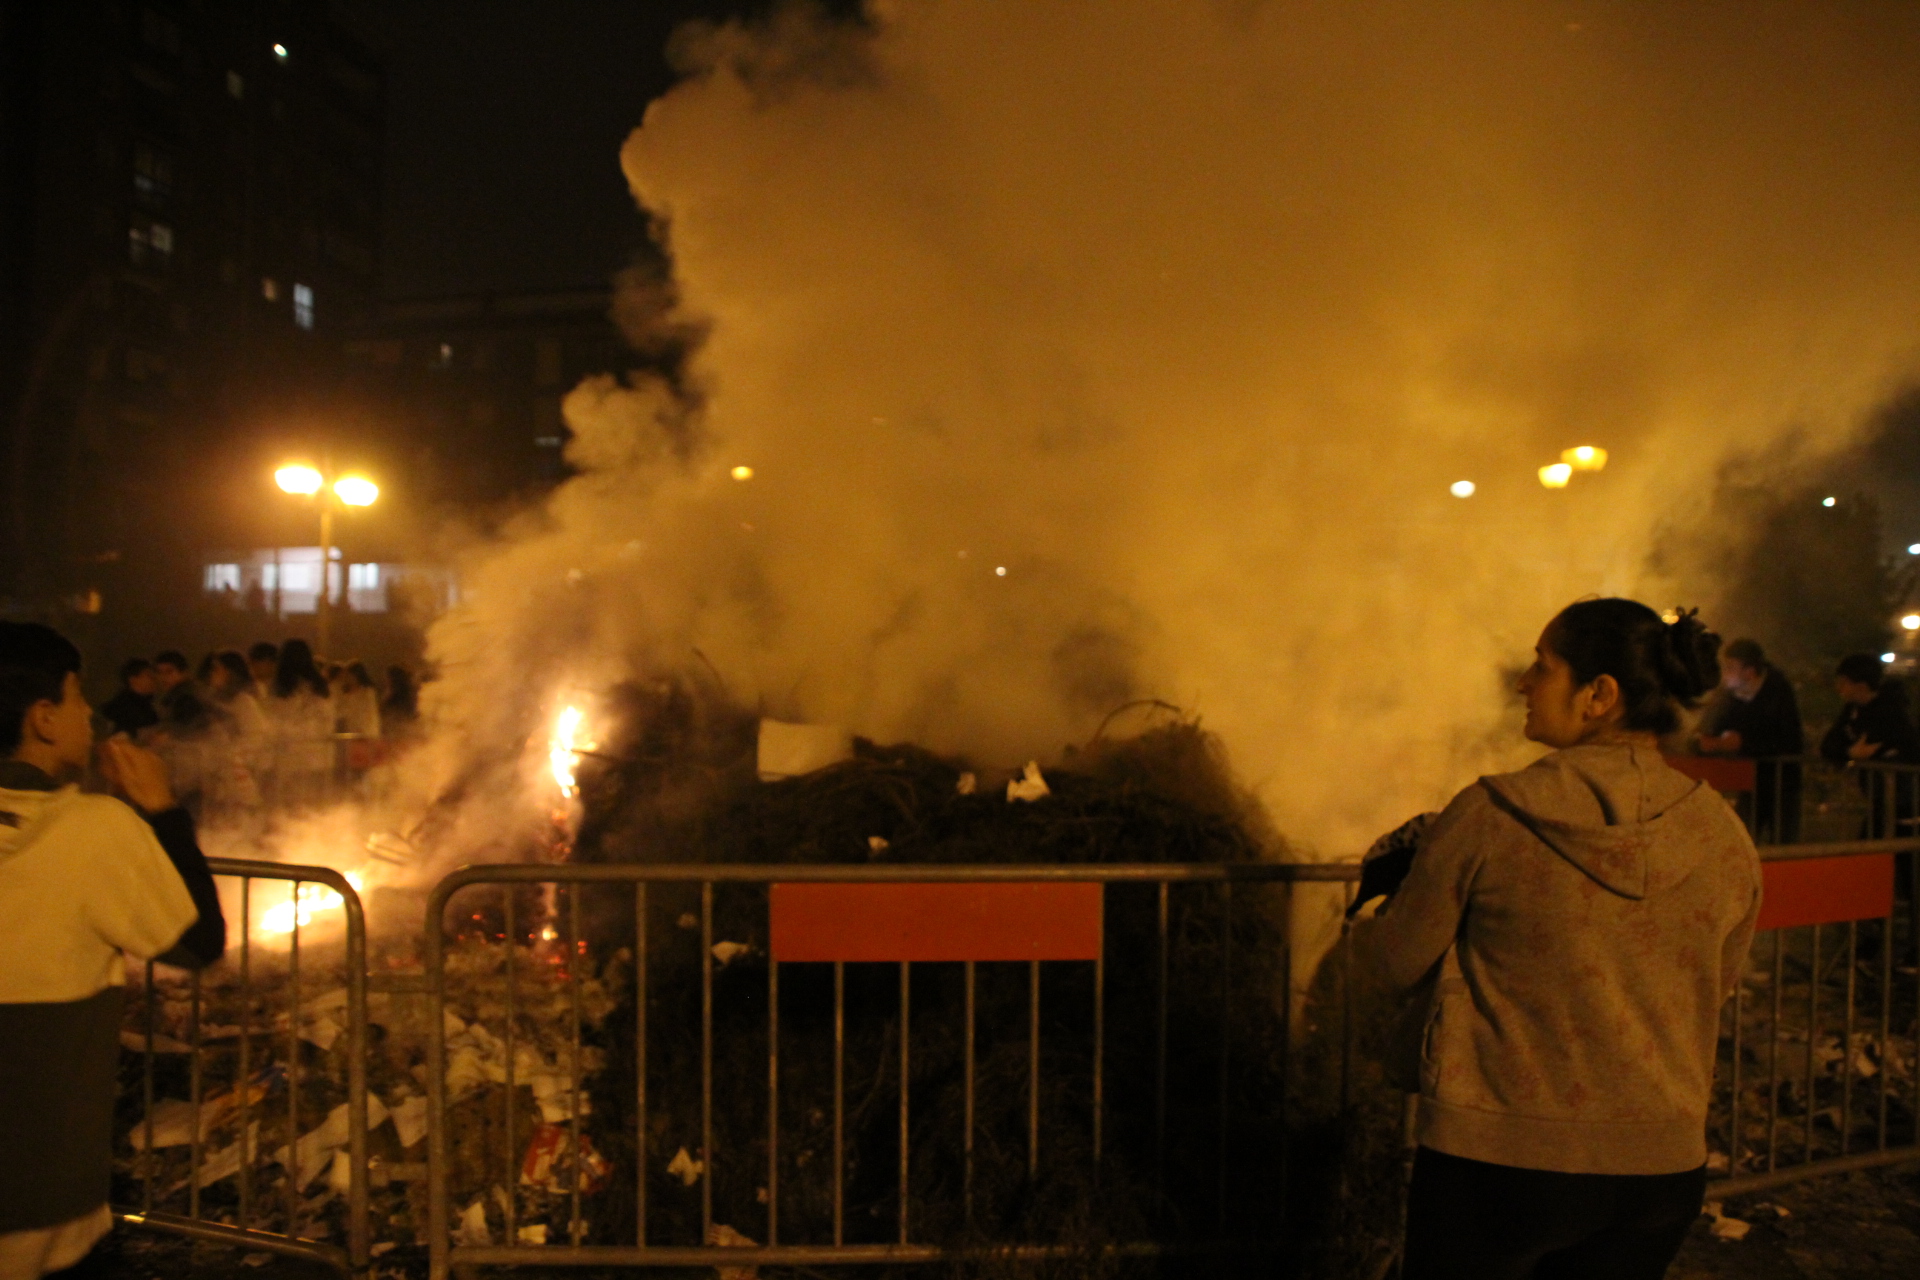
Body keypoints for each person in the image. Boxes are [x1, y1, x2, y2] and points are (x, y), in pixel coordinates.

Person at [1355, 599, 1761, 1279]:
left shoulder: (1490, 814)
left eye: (1542, 666)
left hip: (1498, 1163)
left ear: (1599, 695)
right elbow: (1713, 985)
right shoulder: (1724, 837)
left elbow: (1395, 963)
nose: (1522, 683)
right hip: (1660, 1170)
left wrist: (1379, 904)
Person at [0, 622, 224, 1278]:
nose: (91, 716)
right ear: (43, 718)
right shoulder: (92, 829)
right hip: (39, 1217)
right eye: (76, 698)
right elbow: (198, 941)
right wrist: (162, 810)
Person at [1697, 638, 1804, 842]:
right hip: (1749, 783)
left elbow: (1789, 741)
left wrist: (1743, 743)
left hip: (1782, 785)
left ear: (1749, 672)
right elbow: (1708, 727)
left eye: (1730, 668)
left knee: (1783, 844)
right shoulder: (1727, 694)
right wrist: (1705, 740)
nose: (1725, 673)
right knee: (1741, 840)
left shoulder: (1778, 692)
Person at [1820, 653, 1919, 838]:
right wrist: (1850, 752)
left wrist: (1857, 752)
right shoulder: (1852, 710)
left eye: (1843, 683)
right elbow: (1828, 745)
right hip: (1879, 801)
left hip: (1904, 804)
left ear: (1861, 686)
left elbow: (1886, 749)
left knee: (1893, 845)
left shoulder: (1892, 713)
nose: (1838, 688)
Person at [261, 639, 334, 808]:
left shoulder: (279, 688)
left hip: (289, 758)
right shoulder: (320, 686)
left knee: (291, 806)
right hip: (317, 757)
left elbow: (272, 723)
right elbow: (328, 721)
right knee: (314, 806)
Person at [97, 659, 159, 739]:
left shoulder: (145, 704)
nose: (155, 679)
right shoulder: (122, 707)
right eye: (149, 676)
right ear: (133, 680)